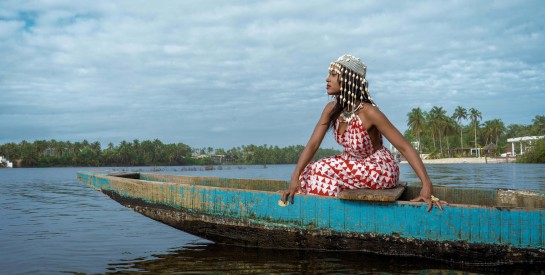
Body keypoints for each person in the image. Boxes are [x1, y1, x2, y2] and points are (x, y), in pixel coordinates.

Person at [281, 54, 446, 212]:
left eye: (333, 74)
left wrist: (426, 184)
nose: (327, 79)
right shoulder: (331, 109)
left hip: (378, 168)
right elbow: (313, 144)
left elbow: (404, 147)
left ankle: (331, 215)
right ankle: (327, 208)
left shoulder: (369, 112)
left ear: (348, 79)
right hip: (351, 164)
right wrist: (294, 178)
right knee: (306, 171)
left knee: (320, 169)